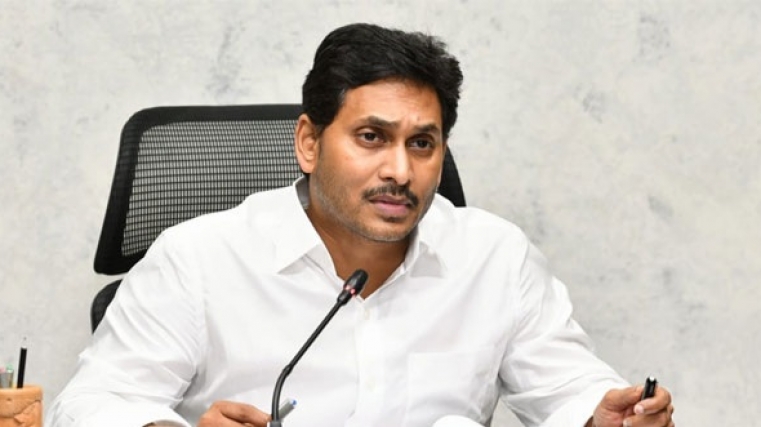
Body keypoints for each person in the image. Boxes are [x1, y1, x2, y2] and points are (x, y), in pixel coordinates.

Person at [47, 23, 674, 427]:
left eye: (422, 143)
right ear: (309, 143)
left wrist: (610, 416)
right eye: (372, 137)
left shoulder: (495, 256)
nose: (400, 171)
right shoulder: (198, 259)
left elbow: (573, 388)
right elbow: (91, 404)